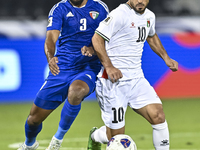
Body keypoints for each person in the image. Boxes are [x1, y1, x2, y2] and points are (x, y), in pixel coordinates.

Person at [85, 0, 178, 150]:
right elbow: (97, 38)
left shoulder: (149, 16)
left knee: (158, 116)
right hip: (113, 82)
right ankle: (95, 135)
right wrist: (109, 67)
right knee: (115, 138)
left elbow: (151, 36)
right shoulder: (119, 15)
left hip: (137, 79)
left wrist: (166, 57)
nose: (140, 1)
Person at [18, 0, 108, 150]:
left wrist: (93, 48)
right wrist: (50, 58)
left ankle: (57, 140)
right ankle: (29, 144)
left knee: (76, 90)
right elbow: (50, 38)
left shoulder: (100, 7)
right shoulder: (60, 8)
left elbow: (109, 35)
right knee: (33, 119)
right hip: (62, 68)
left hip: (88, 67)